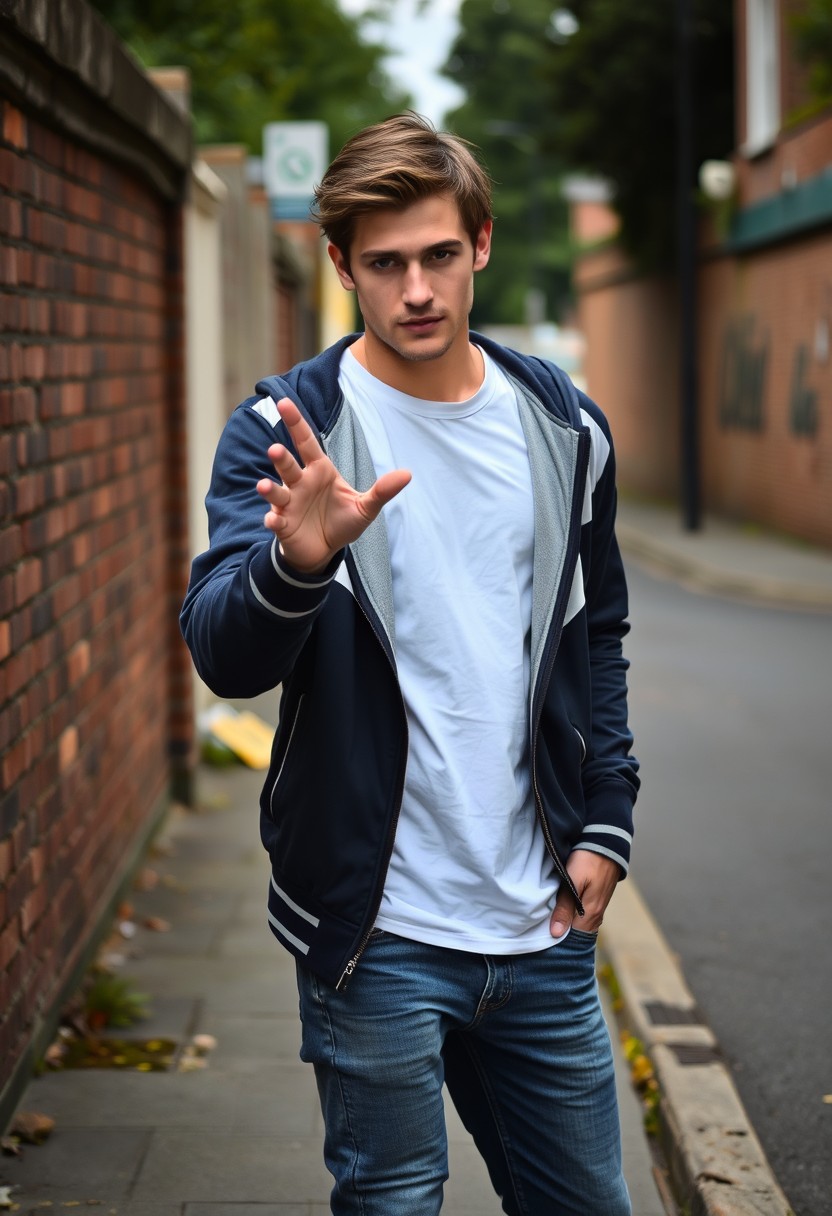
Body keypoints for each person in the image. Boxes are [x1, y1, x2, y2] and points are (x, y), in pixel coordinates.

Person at [181, 112, 639, 1216]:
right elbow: (221, 657)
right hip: (371, 930)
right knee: (391, 1201)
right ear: (341, 266)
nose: (417, 289)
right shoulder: (287, 430)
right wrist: (295, 565)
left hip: (538, 921)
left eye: (439, 254)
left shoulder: (564, 426)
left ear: (480, 242)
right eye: (384, 265)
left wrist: (607, 820)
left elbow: (598, 634)